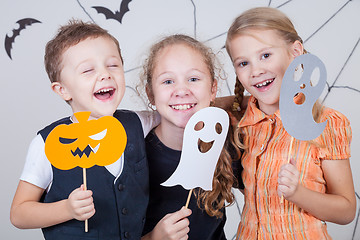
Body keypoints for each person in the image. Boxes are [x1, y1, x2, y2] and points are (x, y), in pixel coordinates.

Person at [10, 20, 158, 240]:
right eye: (88, 70)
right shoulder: (47, 143)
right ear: (62, 89)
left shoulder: (138, 122)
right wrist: (66, 209)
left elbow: (178, 113)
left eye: (113, 65)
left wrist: (227, 106)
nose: (105, 74)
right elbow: (19, 214)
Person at [225, 7, 356, 239]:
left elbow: (346, 211)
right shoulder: (243, 120)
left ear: (295, 52)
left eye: (265, 55)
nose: (256, 70)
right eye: (243, 63)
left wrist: (298, 193)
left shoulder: (326, 123)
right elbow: (200, 104)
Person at [139, 34, 240, 240]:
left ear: (213, 89)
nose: (181, 90)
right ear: (151, 94)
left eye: (193, 79)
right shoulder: (135, 155)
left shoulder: (229, 142)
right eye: (168, 81)